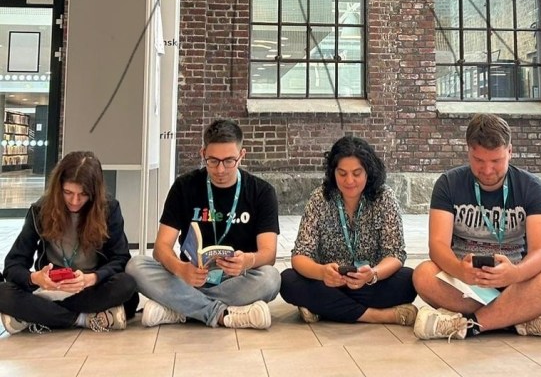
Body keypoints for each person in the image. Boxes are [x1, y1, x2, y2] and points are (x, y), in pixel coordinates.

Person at [412, 113, 541, 340]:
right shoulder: (448, 183)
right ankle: (515, 318)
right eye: (479, 160)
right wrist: (460, 270)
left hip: (516, 282)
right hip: (466, 284)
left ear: (510, 151)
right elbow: (437, 245)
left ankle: (471, 325)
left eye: (496, 161)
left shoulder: (533, 187)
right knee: (423, 274)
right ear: (468, 152)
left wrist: (515, 273)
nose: (487, 170)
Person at [126, 119, 281, 329]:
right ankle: (220, 313)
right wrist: (181, 269)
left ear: (242, 156)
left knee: (271, 278)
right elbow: (161, 248)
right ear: (203, 154)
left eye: (229, 161)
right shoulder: (184, 186)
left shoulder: (261, 192)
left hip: (236, 280)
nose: (220, 169)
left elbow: (269, 254)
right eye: (213, 161)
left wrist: (247, 261)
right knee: (135, 266)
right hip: (190, 277)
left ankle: (180, 308)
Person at [280, 136, 417, 325]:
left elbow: (395, 254)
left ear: (368, 172)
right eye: (342, 173)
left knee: (409, 280)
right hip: (329, 283)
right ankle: (378, 316)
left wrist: (373, 274)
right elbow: (300, 255)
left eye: (357, 173)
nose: (349, 180)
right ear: (333, 172)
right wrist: (321, 272)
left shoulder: (384, 198)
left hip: (369, 283)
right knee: (288, 281)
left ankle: (323, 308)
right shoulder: (320, 198)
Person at [0, 151, 137, 335]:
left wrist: (92, 278)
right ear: (59, 188)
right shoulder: (40, 210)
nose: (74, 201)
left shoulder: (109, 209)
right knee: (2, 291)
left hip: (89, 288)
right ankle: (84, 319)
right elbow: (13, 265)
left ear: (94, 193)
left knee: (126, 285)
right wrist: (35, 278)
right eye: (68, 193)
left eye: (83, 194)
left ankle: (40, 315)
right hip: (49, 288)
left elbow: (120, 258)